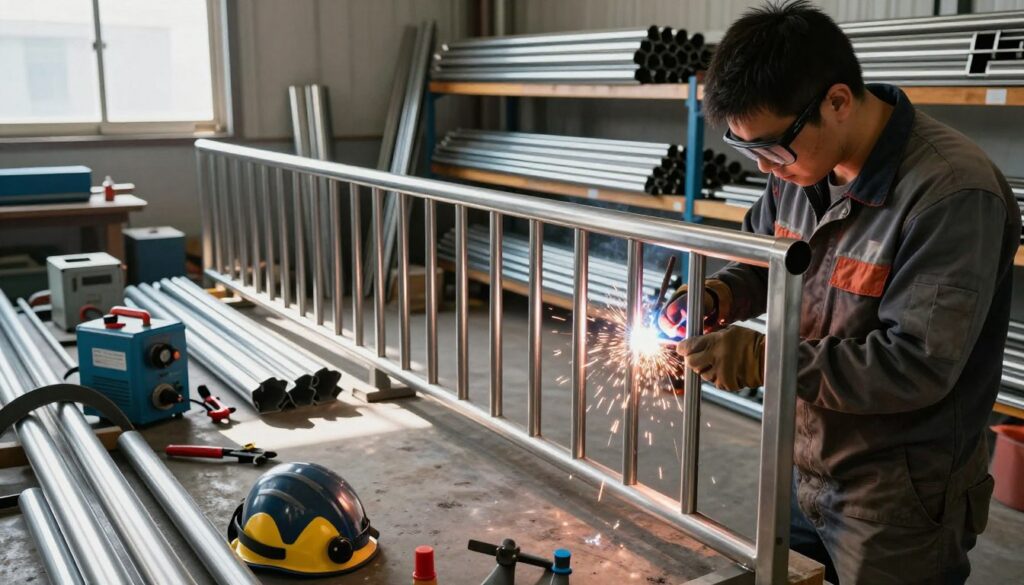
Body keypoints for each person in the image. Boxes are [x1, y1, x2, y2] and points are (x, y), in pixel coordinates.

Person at [656, 2, 1019, 583]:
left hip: (899, 497)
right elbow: (764, 264)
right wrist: (719, 295)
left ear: (838, 102)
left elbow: (916, 365)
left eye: (772, 148)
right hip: (804, 464)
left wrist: (765, 359)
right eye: (750, 151)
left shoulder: (951, 194)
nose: (767, 169)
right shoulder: (798, 171)